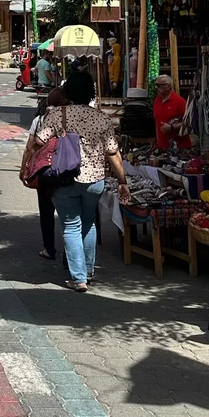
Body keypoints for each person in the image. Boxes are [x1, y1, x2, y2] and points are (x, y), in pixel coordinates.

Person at [37, 70, 129, 290]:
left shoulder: (57, 115)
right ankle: (87, 271)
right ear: (91, 93)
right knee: (89, 223)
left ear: (67, 91)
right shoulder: (101, 117)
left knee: (70, 225)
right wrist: (122, 180)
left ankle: (78, 278)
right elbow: (113, 152)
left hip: (65, 179)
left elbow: (40, 142)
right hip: (95, 180)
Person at [21, 97, 55, 260]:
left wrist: (24, 168)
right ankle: (70, 255)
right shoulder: (70, 119)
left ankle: (49, 248)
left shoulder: (39, 120)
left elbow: (30, 147)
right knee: (69, 215)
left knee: (46, 210)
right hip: (67, 169)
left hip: (44, 170)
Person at [153, 74, 189, 150]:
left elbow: (188, 122)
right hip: (162, 146)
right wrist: (157, 141)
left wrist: (172, 127)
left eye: (159, 85)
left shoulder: (179, 101)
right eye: (155, 85)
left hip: (179, 147)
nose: (156, 88)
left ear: (168, 86)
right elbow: (157, 121)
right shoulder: (157, 100)